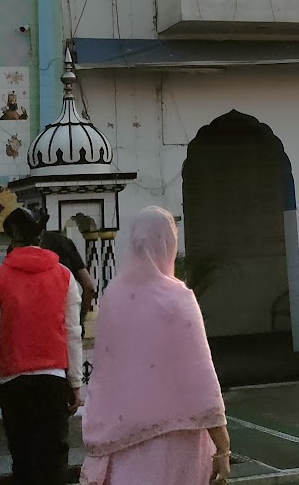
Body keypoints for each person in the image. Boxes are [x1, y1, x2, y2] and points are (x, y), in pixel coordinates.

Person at [80, 207, 230, 485]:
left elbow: (104, 373)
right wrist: (222, 447)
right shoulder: (177, 299)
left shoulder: (112, 297)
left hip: (122, 441)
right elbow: (200, 377)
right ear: (168, 244)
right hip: (179, 442)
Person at [0, 206, 83, 484]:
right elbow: (72, 333)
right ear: (40, 237)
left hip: (13, 383)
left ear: (13, 237)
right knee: (54, 459)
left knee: (23, 458)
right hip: (53, 380)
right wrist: (75, 382)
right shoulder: (64, 276)